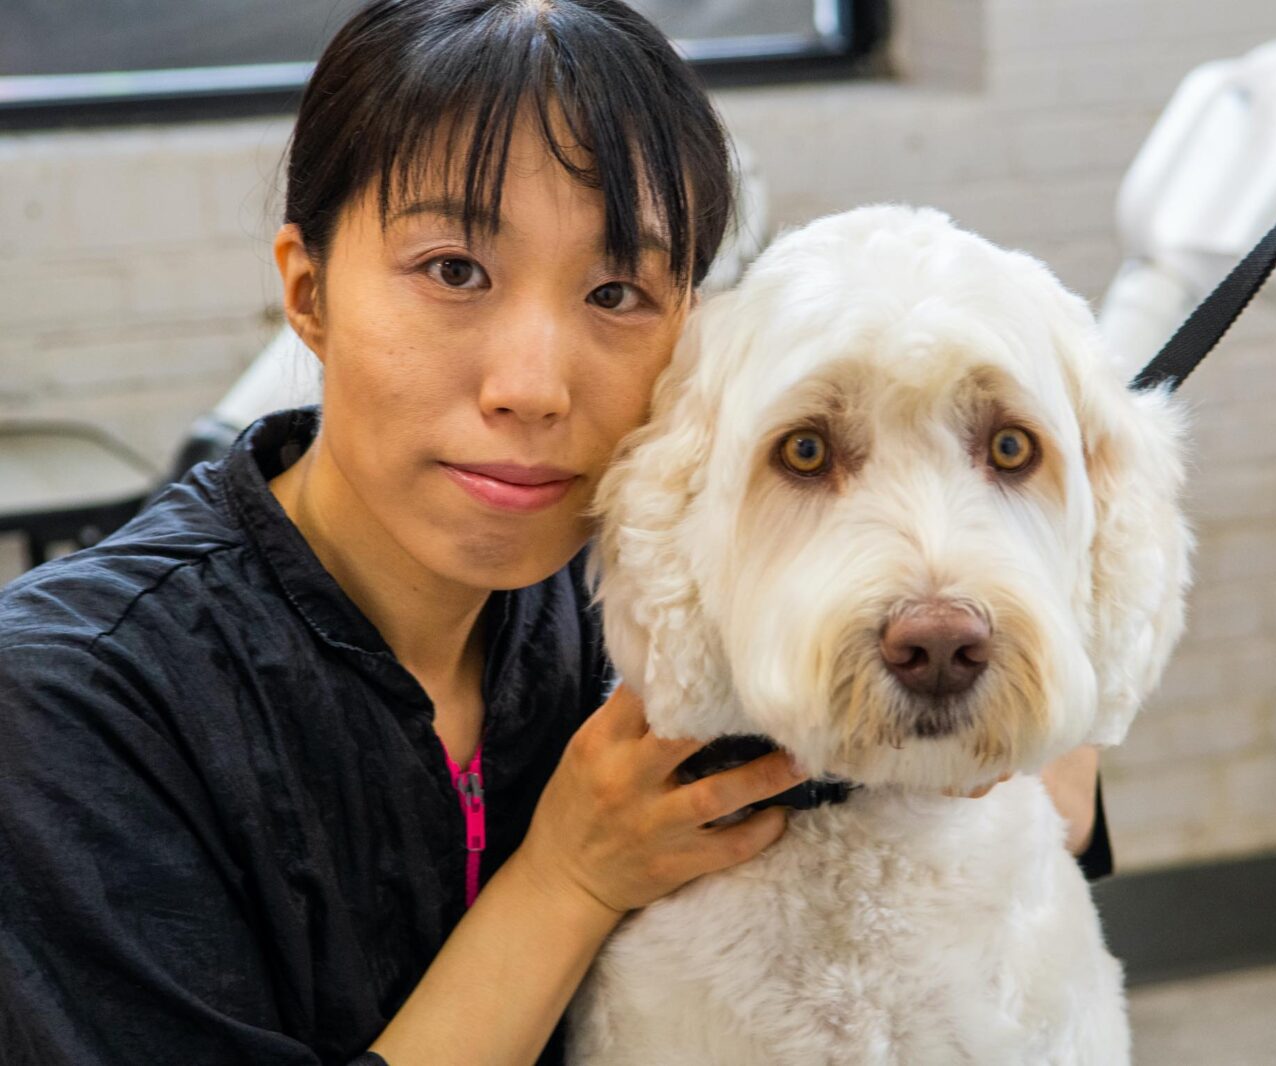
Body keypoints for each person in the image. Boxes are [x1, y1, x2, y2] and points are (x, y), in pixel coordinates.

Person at [0, 2, 1109, 1063]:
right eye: (454, 272)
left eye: (617, 290)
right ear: (309, 291)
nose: (531, 387)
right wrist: (568, 881)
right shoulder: (70, 705)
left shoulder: (635, 594)